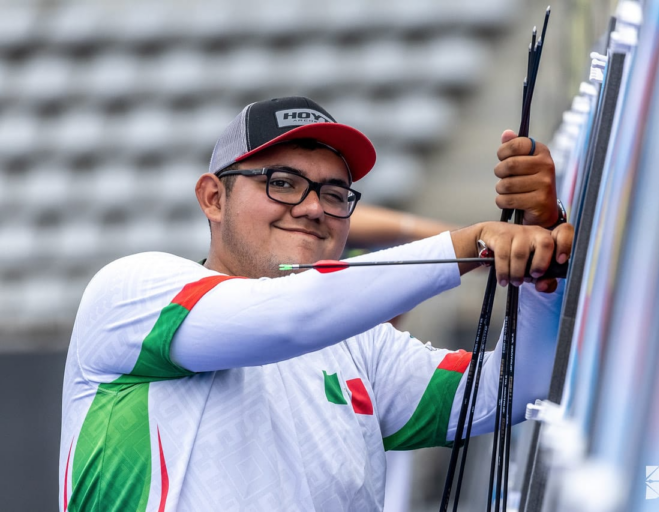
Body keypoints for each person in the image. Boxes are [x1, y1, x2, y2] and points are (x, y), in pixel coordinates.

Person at [59, 96, 572, 511]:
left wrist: (539, 245)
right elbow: (287, 316)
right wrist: (469, 244)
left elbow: (515, 385)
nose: (311, 208)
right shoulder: (131, 292)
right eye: (281, 183)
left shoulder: (359, 343)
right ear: (213, 198)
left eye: (334, 193)